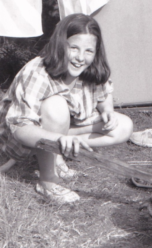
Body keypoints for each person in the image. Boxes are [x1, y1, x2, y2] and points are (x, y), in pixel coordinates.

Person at [0, 13, 133, 203]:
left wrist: (107, 111)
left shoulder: (92, 68)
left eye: (89, 51)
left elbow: (104, 92)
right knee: (55, 105)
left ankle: (57, 154)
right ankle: (48, 181)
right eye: (74, 48)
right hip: (23, 135)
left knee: (123, 126)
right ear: (60, 45)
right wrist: (57, 138)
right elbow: (20, 128)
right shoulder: (38, 71)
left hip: (61, 127)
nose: (81, 57)